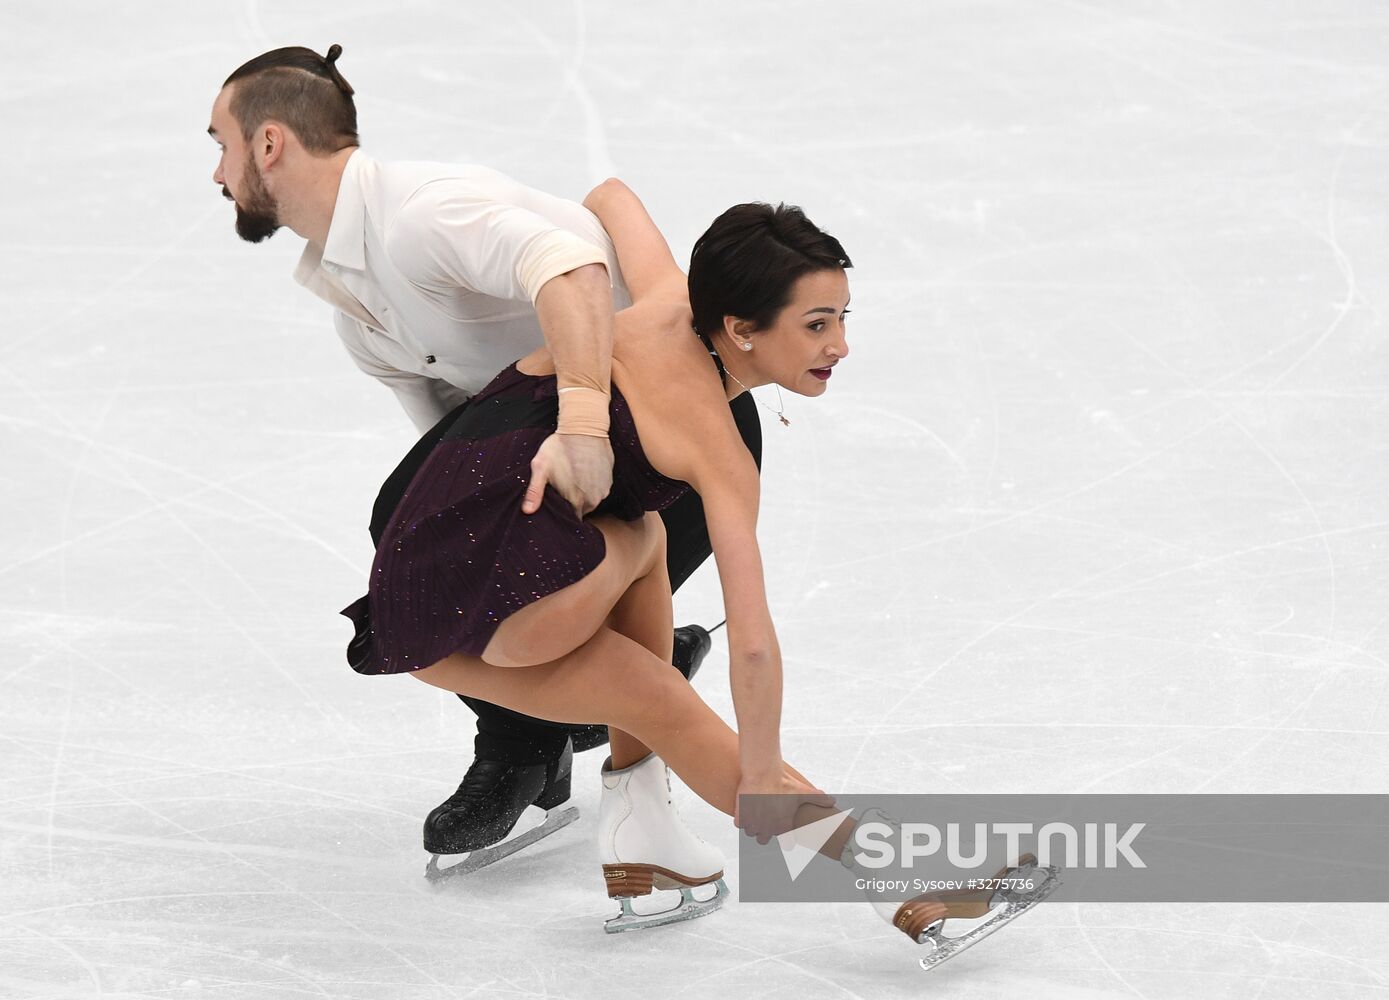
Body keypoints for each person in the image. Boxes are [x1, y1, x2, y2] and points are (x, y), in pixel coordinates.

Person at [341, 175, 1058, 955]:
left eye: (842, 318)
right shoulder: (714, 445)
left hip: (415, 607)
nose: (839, 346)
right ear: (741, 329)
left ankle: (644, 841)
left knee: (647, 620)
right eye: (816, 324)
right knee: (649, 558)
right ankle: (909, 890)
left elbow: (610, 195)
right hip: (521, 606)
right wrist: (755, 779)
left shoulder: (668, 297)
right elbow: (751, 642)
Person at [207, 44, 762, 871]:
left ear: (270, 143)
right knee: (410, 531)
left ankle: (531, 739)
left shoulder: (420, 212)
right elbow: (451, 459)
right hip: (559, 468)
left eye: (220, 141)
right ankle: (565, 734)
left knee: (563, 648)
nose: (216, 169)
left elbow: (570, 272)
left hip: (665, 452)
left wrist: (579, 430)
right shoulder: (355, 303)